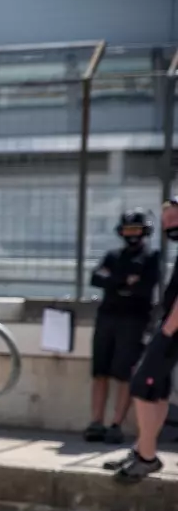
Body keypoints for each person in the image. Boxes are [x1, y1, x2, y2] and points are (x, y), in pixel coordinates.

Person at [105, 198, 178, 483]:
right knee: (155, 388)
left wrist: (167, 331)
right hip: (169, 328)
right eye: (167, 220)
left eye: (174, 218)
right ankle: (142, 450)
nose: (170, 224)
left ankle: (146, 457)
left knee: (142, 384)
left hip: (172, 330)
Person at [84, 208, 159, 444]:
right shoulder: (113, 255)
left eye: (136, 229)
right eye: (128, 230)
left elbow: (144, 288)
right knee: (100, 372)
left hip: (134, 321)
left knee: (124, 374)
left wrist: (114, 282)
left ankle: (116, 424)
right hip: (107, 317)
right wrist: (123, 281)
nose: (132, 235)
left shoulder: (151, 258)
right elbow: (95, 277)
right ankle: (96, 422)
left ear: (145, 231)